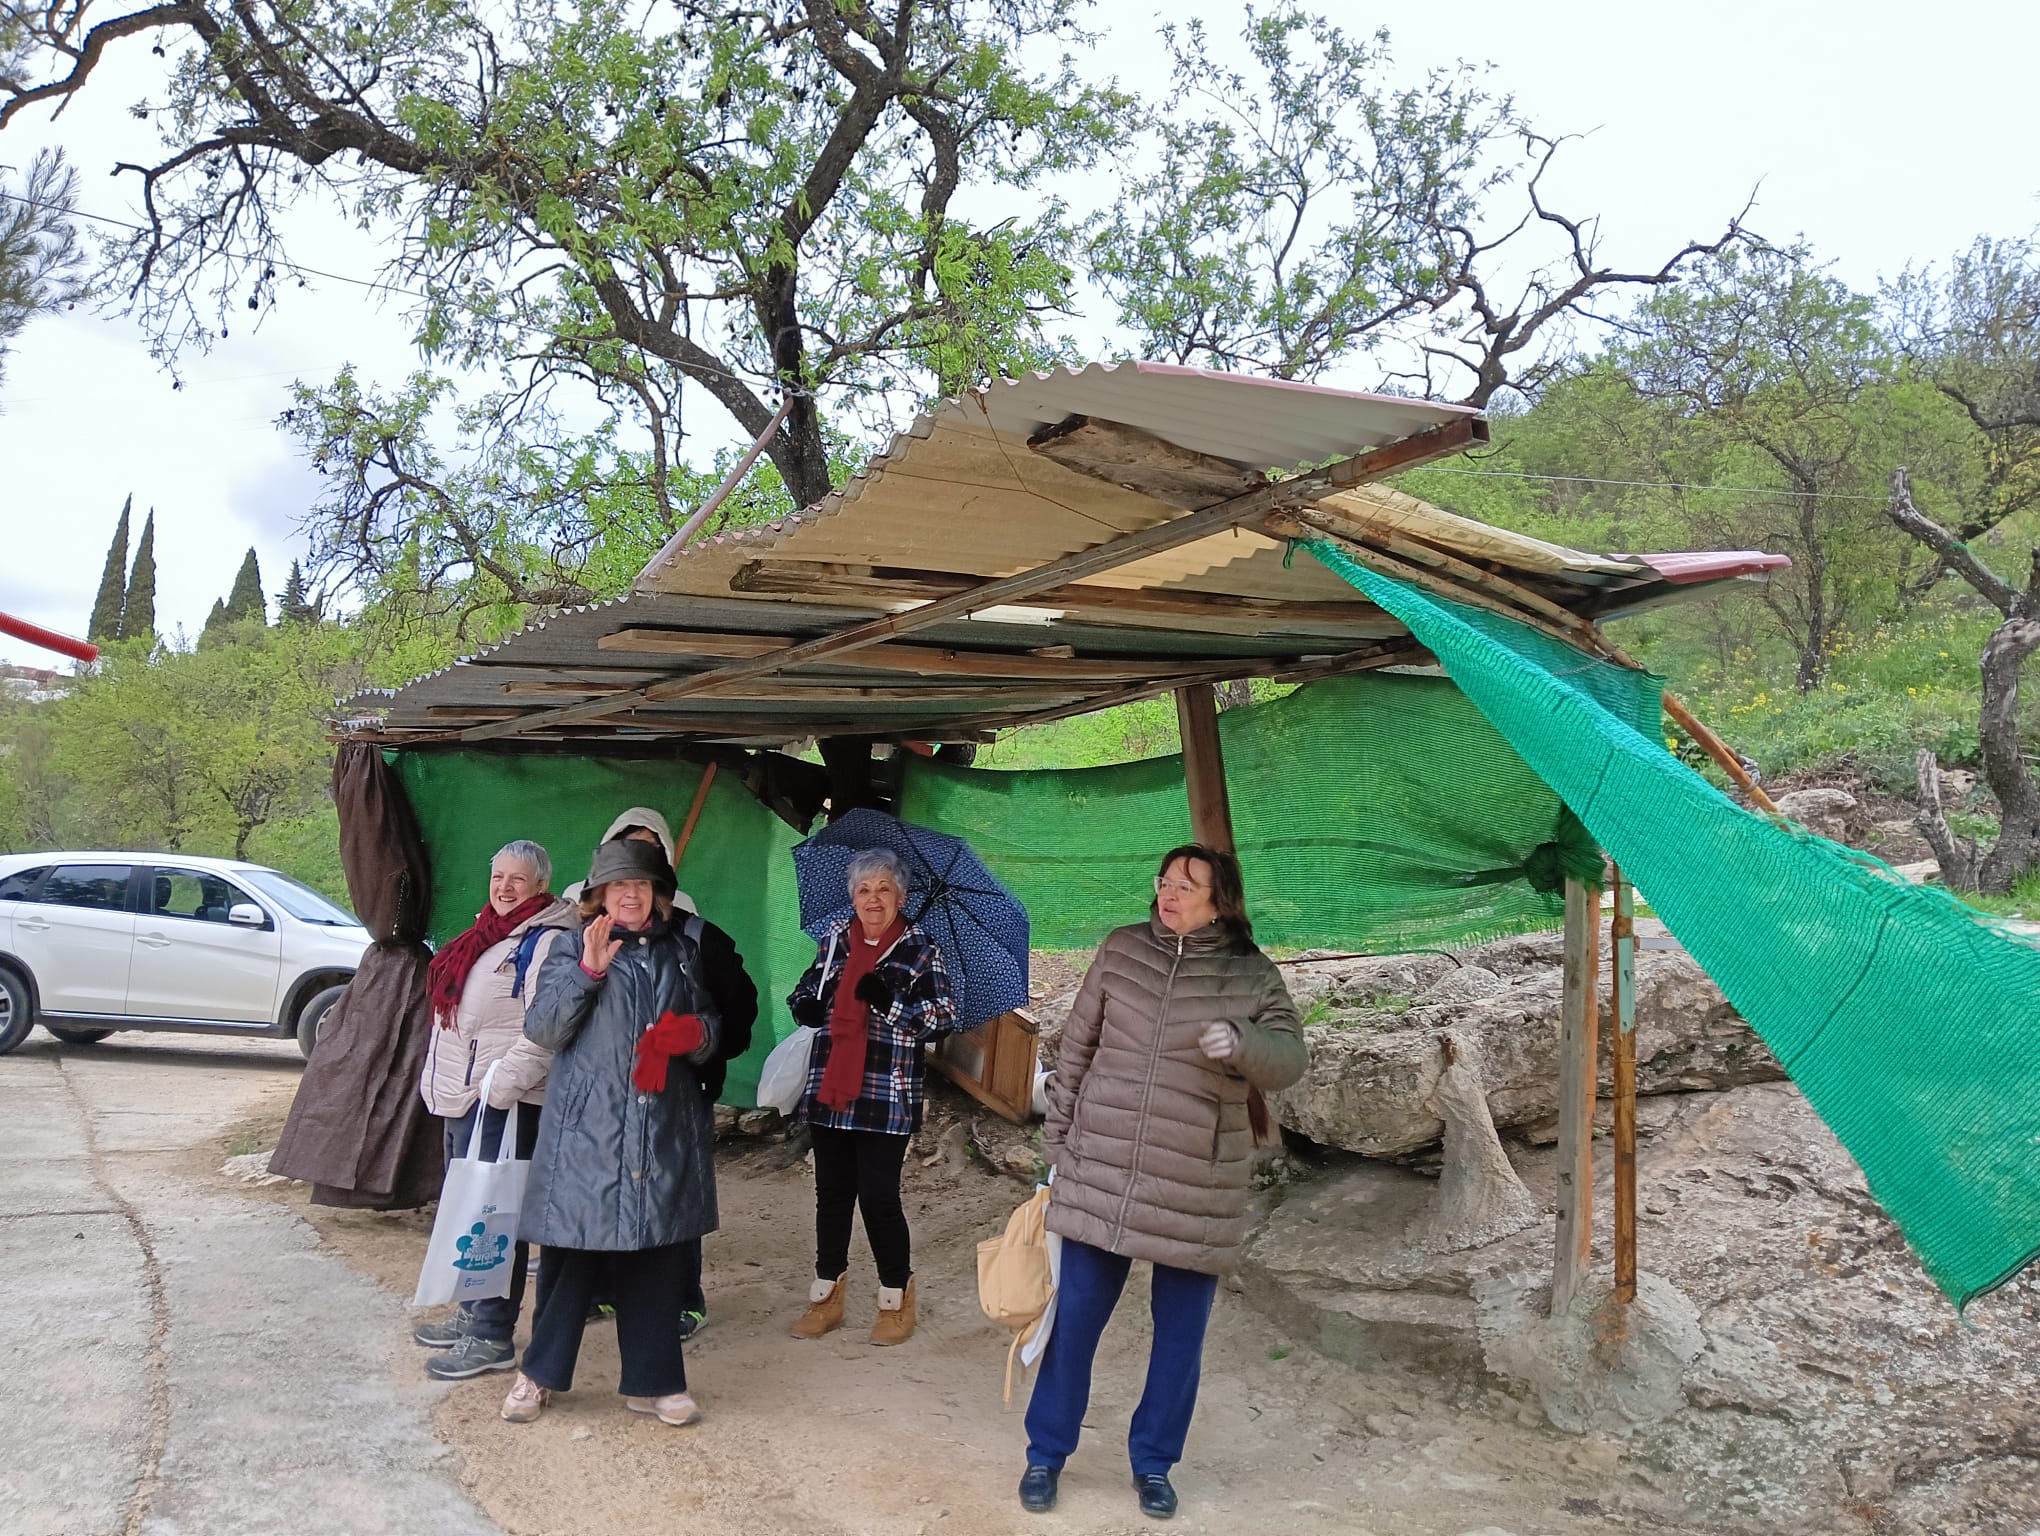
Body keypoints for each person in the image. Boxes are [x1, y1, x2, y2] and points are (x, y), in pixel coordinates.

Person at [1018, 844, 1306, 1522]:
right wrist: (1057, 1145)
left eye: (1186, 885)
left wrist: (1243, 1042)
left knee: (1179, 1337)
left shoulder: (1251, 974)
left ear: (1218, 901)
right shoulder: (1121, 951)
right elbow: (1076, 1051)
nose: (1169, 893)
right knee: (1074, 1320)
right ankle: (1045, 1454)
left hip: (1195, 1183)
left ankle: (1153, 1463)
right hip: (1103, 1167)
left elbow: (1290, 1058)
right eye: (1165, 881)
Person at [497, 837, 722, 1426]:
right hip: (588, 1132)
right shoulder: (571, 946)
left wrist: (696, 1035)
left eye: (641, 884)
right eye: (619, 885)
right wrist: (590, 972)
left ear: (657, 894)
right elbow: (544, 1028)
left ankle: (655, 1383)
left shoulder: (681, 951)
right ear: (598, 895)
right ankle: (537, 1376)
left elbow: (710, 1023)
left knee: (656, 1256)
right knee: (571, 1259)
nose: (630, 895)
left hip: (660, 1125)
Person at [577, 809, 758, 1340]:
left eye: (649, 853)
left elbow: (736, 1012)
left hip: (678, 1090)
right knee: (609, 1188)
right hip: (610, 1094)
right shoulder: (589, 935)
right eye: (625, 851)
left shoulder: (697, 937)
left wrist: (700, 1051)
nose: (635, 867)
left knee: (674, 1192)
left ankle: (684, 1299)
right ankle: (607, 1289)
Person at [412, 840, 575, 1379]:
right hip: (465, 1099)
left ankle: (492, 1334)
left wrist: (501, 1086)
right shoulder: (489, 933)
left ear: (540, 886)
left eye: (517, 879)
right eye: (498, 876)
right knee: (469, 1209)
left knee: (494, 1215)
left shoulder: (545, 941)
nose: (504, 887)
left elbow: (546, 1026)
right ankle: (472, 1313)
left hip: (504, 1102)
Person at [785, 847, 960, 1346]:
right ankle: (826, 1298)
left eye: (884, 889)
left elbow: (943, 1018)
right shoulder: (835, 941)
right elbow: (805, 989)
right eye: (864, 890)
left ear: (901, 897)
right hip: (830, 1088)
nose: (873, 898)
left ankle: (895, 1301)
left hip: (886, 1093)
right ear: (853, 897)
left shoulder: (920, 948)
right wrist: (806, 1006)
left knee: (879, 1199)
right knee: (831, 1196)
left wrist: (889, 1001)